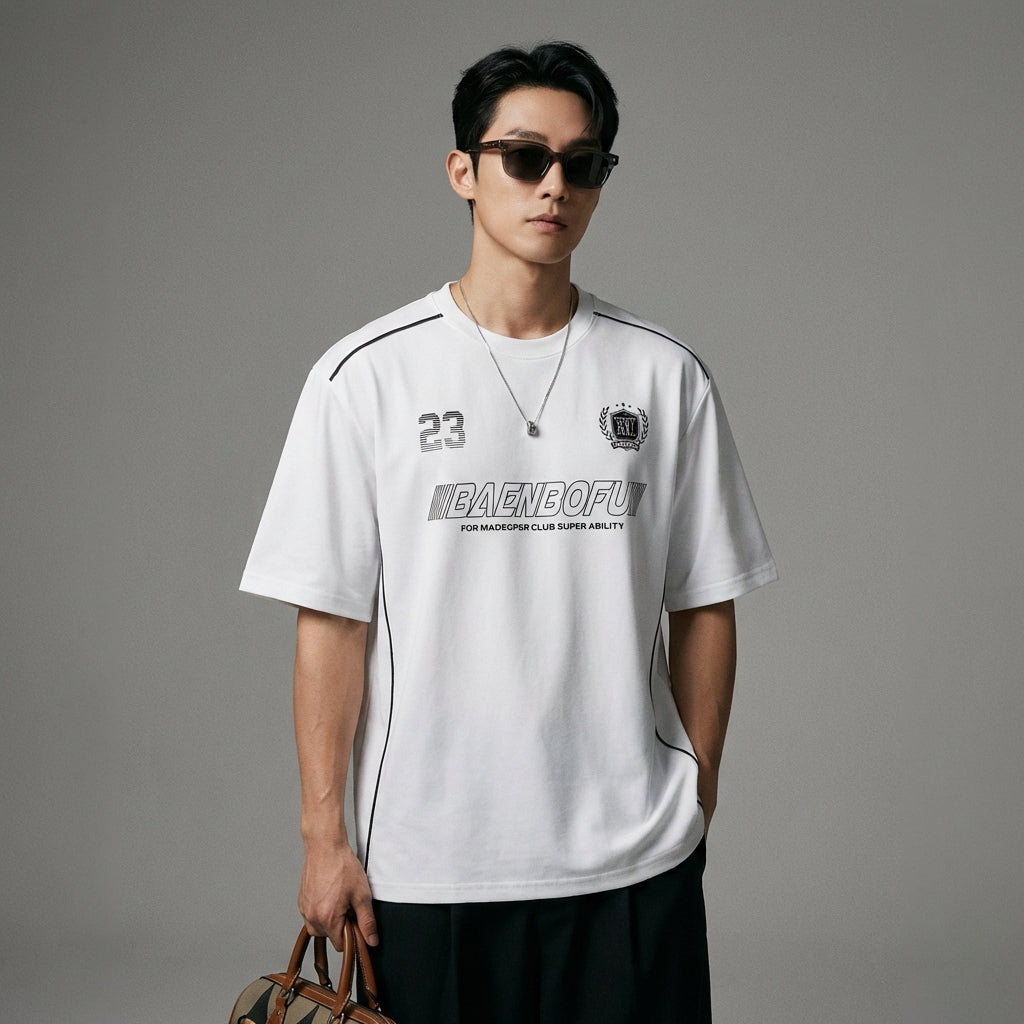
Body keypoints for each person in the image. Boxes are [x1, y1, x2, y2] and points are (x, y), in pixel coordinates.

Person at [241, 41, 777, 1024]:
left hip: (633, 860)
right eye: (525, 158)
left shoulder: (664, 376)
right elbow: (333, 621)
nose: (554, 186)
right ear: (464, 171)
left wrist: (695, 800)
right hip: (430, 862)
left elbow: (705, 601)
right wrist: (324, 837)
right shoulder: (366, 377)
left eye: (583, 163)